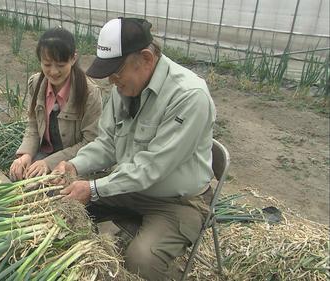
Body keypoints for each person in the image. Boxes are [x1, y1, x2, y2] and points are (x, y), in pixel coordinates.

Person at [53, 18, 216, 280]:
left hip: (176, 201)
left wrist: (94, 188)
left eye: (117, 72)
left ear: (147, 58)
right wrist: (75, 165)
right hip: (130, 185)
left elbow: (152, 167)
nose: (112, 80)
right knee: (60, 200)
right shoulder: (125, 86)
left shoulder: (188, 96)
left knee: (141, 260)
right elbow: (107, 143)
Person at [9, 27, 103, 181]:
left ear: (73, 59)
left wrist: (49, 163)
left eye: (60, 65)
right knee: (18, 176)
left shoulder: (89, 93)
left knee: (51, 190)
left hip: (74, 160)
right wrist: (26, 154)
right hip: (45, 153)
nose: (53, 72)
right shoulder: (36, 83)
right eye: (47, 64)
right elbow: (33, 124)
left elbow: (90, 142)